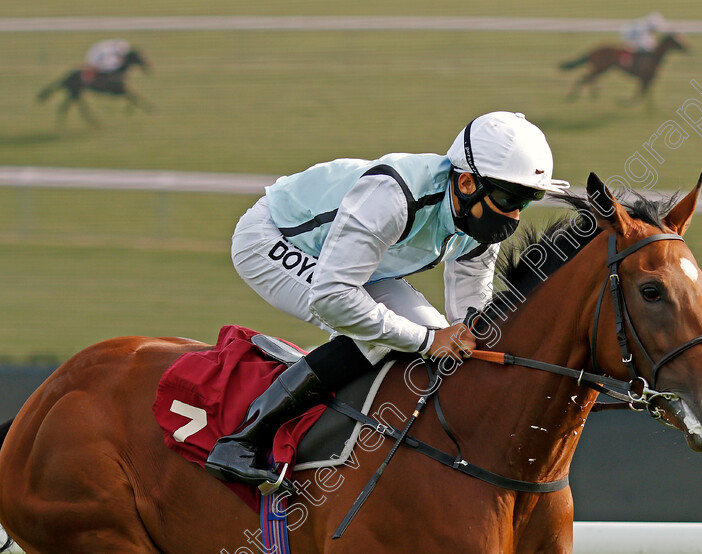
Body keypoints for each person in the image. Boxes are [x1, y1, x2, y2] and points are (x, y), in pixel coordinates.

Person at [204, 111, 569, 489]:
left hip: (354, 265)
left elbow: (470, 298)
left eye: (527, 201)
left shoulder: (480, 214)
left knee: (430, 334)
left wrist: (470, 336)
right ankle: (243, 441)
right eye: (509, 198)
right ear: (465, 182)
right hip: (272, 240)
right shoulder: (393, 196)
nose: (514, 214)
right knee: (390, 336)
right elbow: (333, 298)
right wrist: (429, 341)